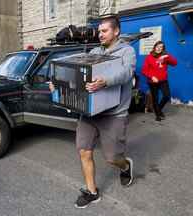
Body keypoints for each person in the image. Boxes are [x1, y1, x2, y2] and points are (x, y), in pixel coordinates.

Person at [49, 15, 136, 209]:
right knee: (84, 151)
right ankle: (92, 191)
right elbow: (77, 74)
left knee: (112, 158)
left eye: (104, 31)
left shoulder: (127, 51)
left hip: (114, 114)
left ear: (116, 31)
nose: (100, 34)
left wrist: (105, 80)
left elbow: (126, 73)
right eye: (99, 31)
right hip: (89, 113)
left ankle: (125, 166)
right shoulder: (94, 51)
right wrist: (57, 84)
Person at [142, 41, 177, 121]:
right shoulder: (149, 57)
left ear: (163, 49)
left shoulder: (165, 57)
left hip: (163, 80)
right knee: (155, 98)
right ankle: (158, 115)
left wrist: (167, 56)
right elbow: (144, 70)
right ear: (154, 47)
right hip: (152, 81)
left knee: (166, 96)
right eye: (157, 46)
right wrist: (152, 77)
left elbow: (175, 63)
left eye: (161, 47)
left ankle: (158, 109)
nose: (159, 48)